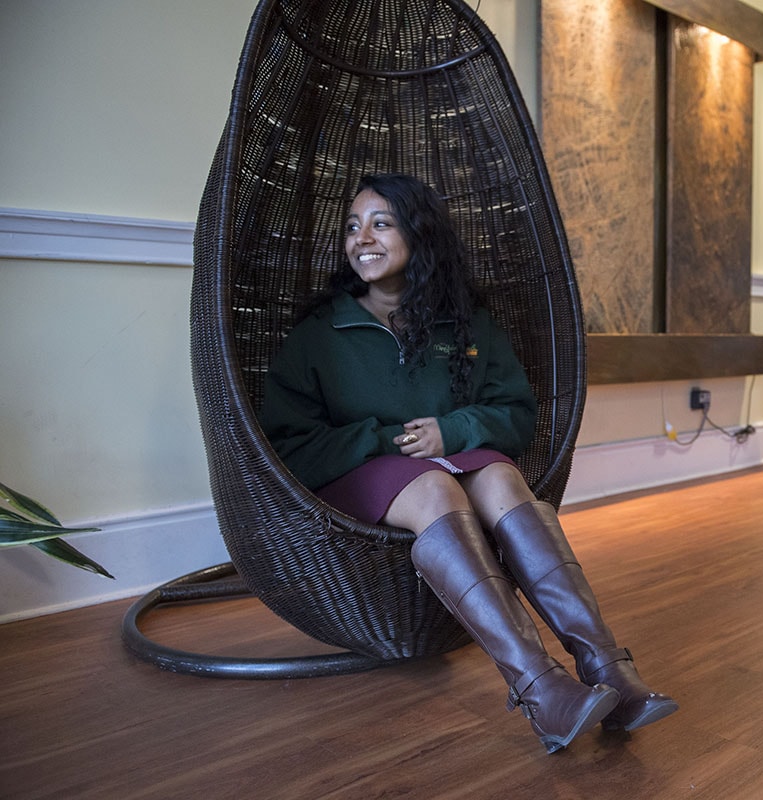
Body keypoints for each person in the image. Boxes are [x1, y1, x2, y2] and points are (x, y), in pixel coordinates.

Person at [259, 173, 677, 754]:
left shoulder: (467, 322)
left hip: (448, 459)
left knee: (505, 478)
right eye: (352, 227)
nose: (361, 238)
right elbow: (288, 444)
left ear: (419, 234)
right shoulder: (318, 333)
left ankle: (607, 667)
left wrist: (452, 429)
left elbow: (517, 412)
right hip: (358, 471)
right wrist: (386, 440)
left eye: (380, 223)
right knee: (435, 488)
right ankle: (540, 688)